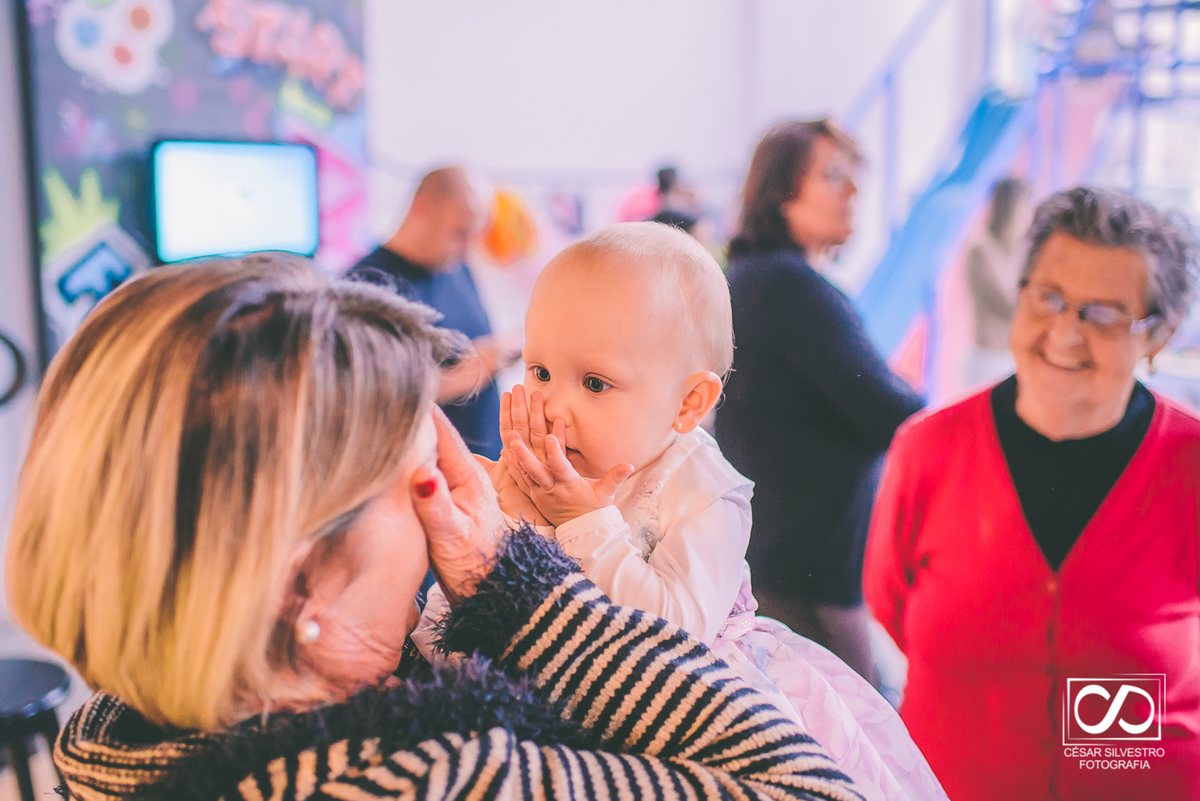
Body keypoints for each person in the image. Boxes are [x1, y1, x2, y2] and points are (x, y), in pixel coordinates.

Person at [6, 253, 862, 801]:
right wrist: (520, 585)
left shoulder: (107, 738)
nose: (450, 511)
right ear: (300, 588)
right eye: (422, 482)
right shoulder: (446, 773)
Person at [414, 223, 947, 801]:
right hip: (550, 711)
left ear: (688, 403)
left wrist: (578, 521)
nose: (553, 406)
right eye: (539, 372)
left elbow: (673, 640)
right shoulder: (538, 465)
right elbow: (459, 621)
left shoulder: (701, 488)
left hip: (686, 718)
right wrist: (505, 525)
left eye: (594, 383)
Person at [864, 186, 1200, 801]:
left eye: (1105, 313)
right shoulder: (929, 450)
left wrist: (1103, 739)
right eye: (1049, 298)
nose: (1066, 334)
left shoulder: (1191, 467)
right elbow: (889, 603)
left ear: (1157, 335)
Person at [714, 120, 924, 685]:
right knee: (862, 740)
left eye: (854, 178)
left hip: (782, 558)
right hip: (807, 574)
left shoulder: (754, 277)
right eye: (833, 177)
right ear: (782, 192)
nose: (851, 193)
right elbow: (889, 412)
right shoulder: (790, 287)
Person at [348, 165, 518, 459]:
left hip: (486, 467)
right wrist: (472, 371)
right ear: (422, 208)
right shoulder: (364, 285)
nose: (466, 248)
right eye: (460, 233)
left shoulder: (455, 266)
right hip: (426, 478)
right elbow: (369, 400)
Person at [963, 176, 1030, 388]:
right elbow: (1010, 306)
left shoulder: (1013, 251)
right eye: (1023, 209)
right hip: (989, 359)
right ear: (1009, 209)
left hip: (1008, 358)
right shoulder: (982, 249)